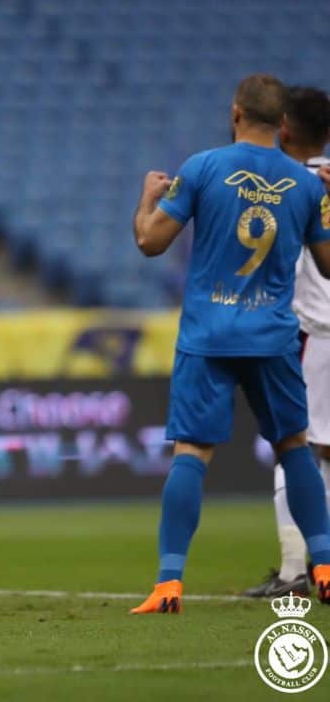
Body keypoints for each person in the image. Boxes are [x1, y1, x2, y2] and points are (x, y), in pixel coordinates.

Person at [131, 75, 330, 613]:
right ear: (283, 123)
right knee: (294, 448)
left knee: (191, 454)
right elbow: (329, 266)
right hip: (272, 335)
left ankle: (169, 583)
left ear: (236, 111)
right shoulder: (308, 185)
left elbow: (151, 241)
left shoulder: (201, 167)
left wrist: (148, 199)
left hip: (209, 333)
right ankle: (325, 567)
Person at [242, 86, 330, 598]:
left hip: (312, 334)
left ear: (284, 128)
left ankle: (296, 572)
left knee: (293, 448)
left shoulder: (285, 184)